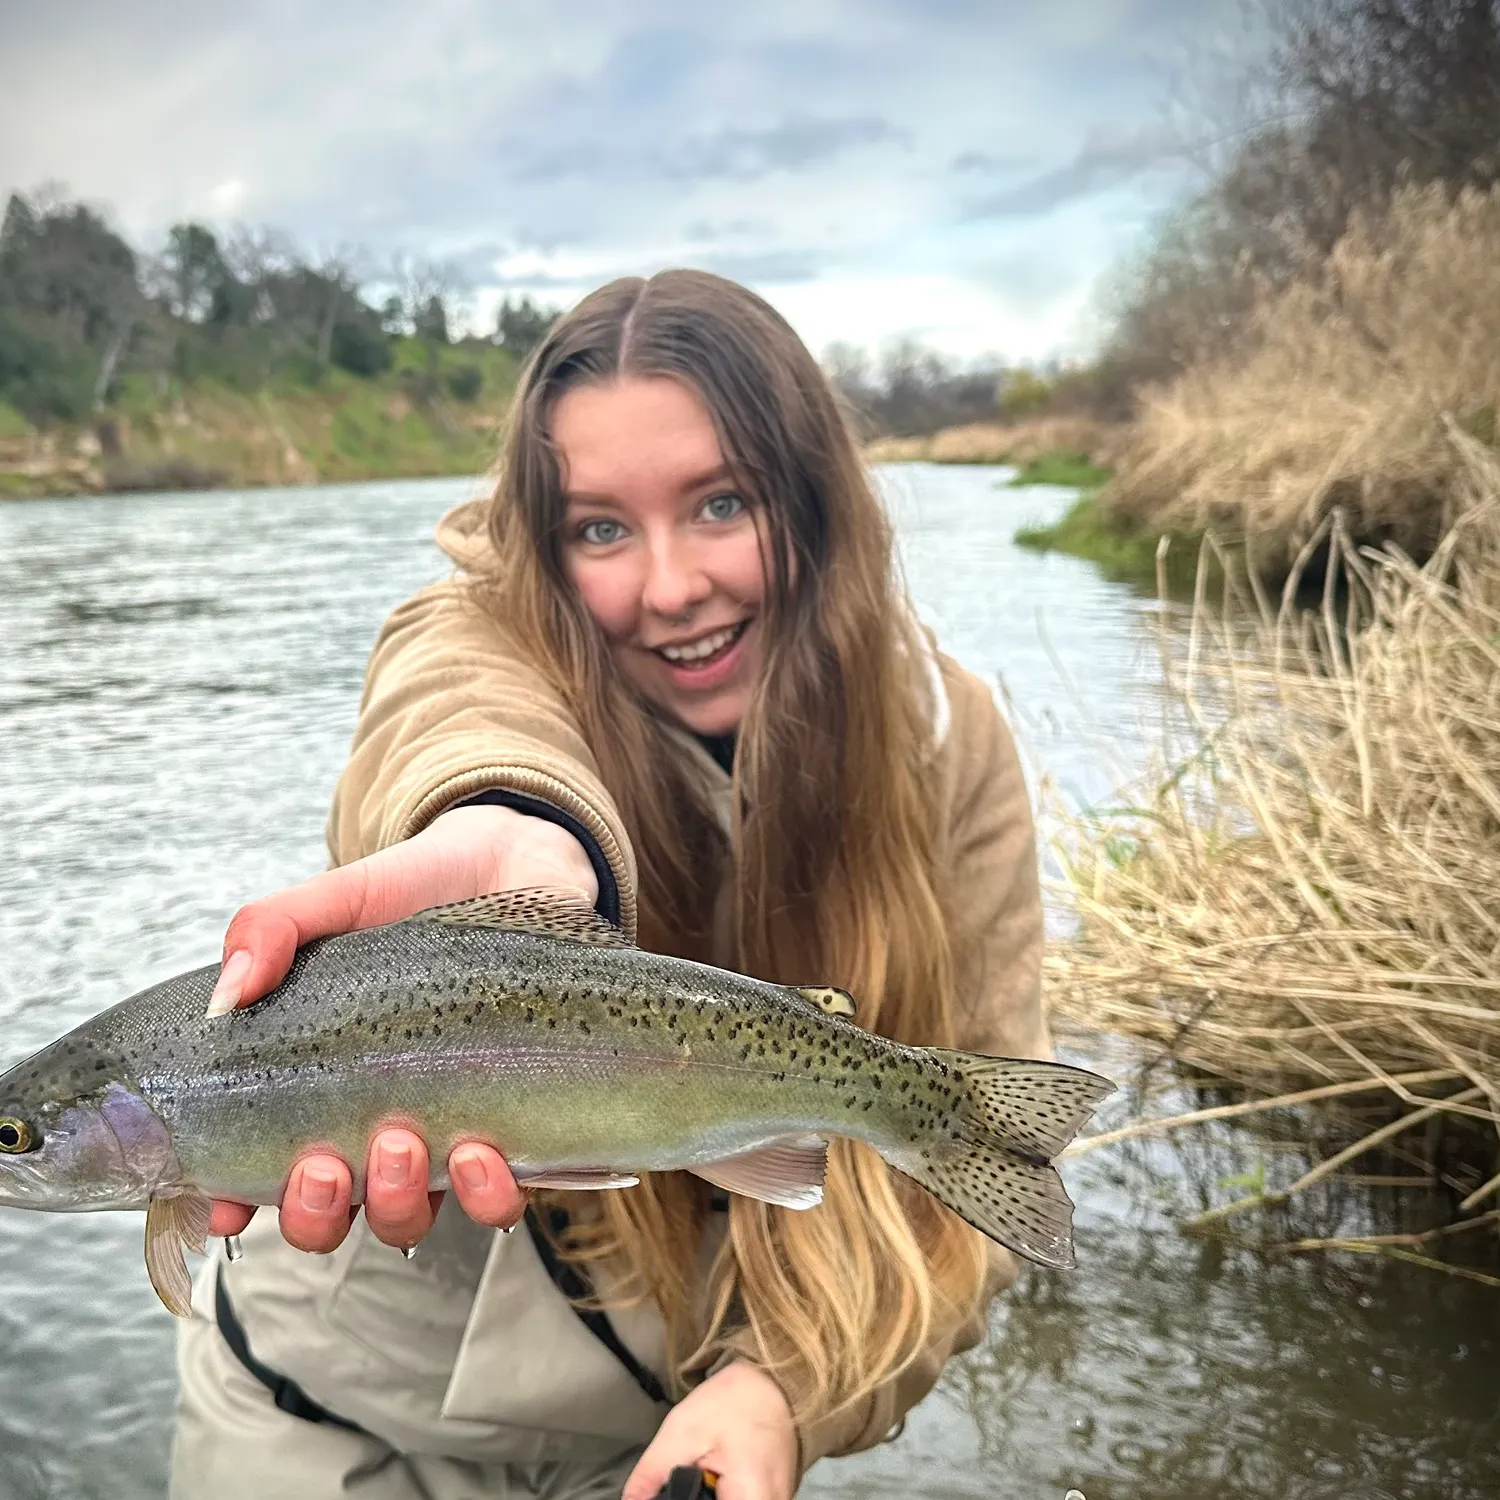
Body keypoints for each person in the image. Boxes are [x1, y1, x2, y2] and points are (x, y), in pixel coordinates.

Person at [169, 269, 1050, 1500]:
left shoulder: (952, 744)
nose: (670, 587)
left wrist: (787, 1391)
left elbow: (958, 1201)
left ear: (817, 501)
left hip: (663, 1448)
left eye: (722, 504)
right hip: (325, 1423)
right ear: (542, 543)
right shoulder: (477, 639)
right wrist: (516, 830)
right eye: (599, 528)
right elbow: (449, 714)